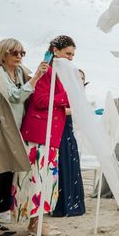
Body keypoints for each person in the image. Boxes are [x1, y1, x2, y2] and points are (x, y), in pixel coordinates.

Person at [0, 38, 48, 236]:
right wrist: (35, 78)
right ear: (3, 53)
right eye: (15, 53)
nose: (19, 56)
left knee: (5, 176)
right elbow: (14, 96)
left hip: (11, 130)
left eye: (22, 53)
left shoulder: (20, 71)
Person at [17, 35, 75, 235]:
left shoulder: (58, 74)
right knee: (37, 179)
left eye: (73, 55)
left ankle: (38, 222)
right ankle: (34, 224)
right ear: (55, 51)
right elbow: (40, 100)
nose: (70, 58)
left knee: (46, 179)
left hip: (51, 136)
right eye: (68, 53)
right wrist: (69, 96)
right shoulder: (46, 71)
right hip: (39, 134)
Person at [52, 44, 86, 218]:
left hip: (69, 128)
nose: (71, 57)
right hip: (59, 127)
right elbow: (55, 107)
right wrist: (76, 109)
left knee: (71, 161)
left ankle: (72, 202)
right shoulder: (53, 79)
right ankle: (62, 204)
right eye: (68, 54)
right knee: (62, 162)